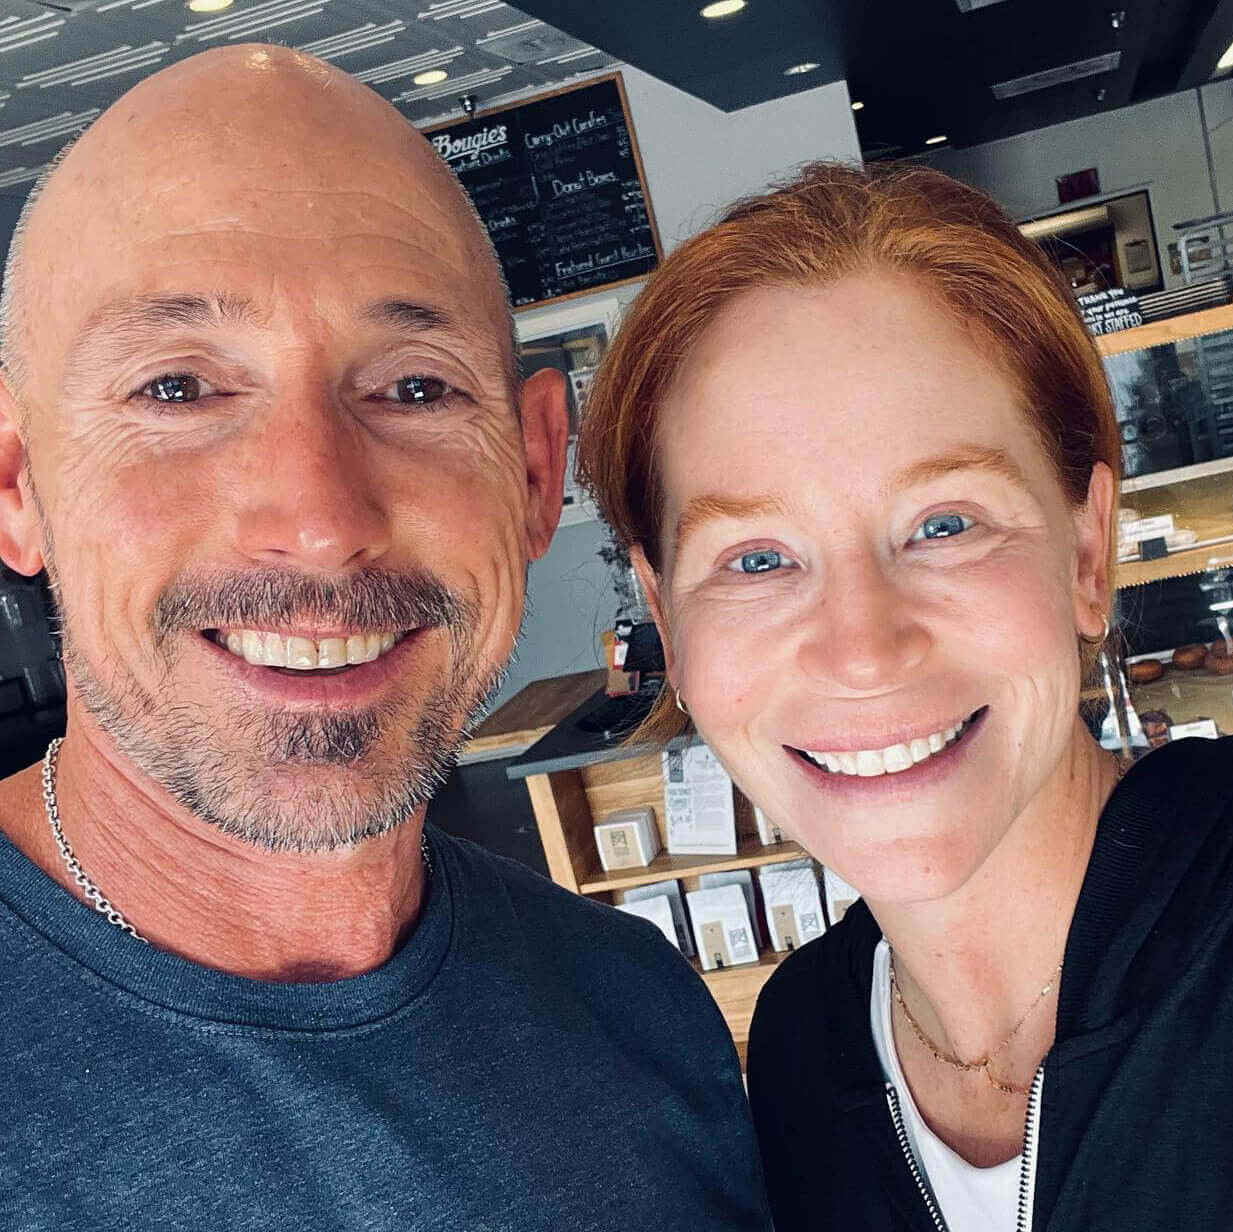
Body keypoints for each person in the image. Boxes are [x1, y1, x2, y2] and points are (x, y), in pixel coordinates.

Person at [0, 46, 772, 1231]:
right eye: (176, 388)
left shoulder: (642, 1013)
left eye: (414, 389)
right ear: (16, 483)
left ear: (531, 467)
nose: (318, 522)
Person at [577, 159, 1233, 1231]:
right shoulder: (799, 1047)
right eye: (755, 559)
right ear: (668, 616)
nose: (863, 650)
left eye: (944, 523)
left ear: (1084, 546)